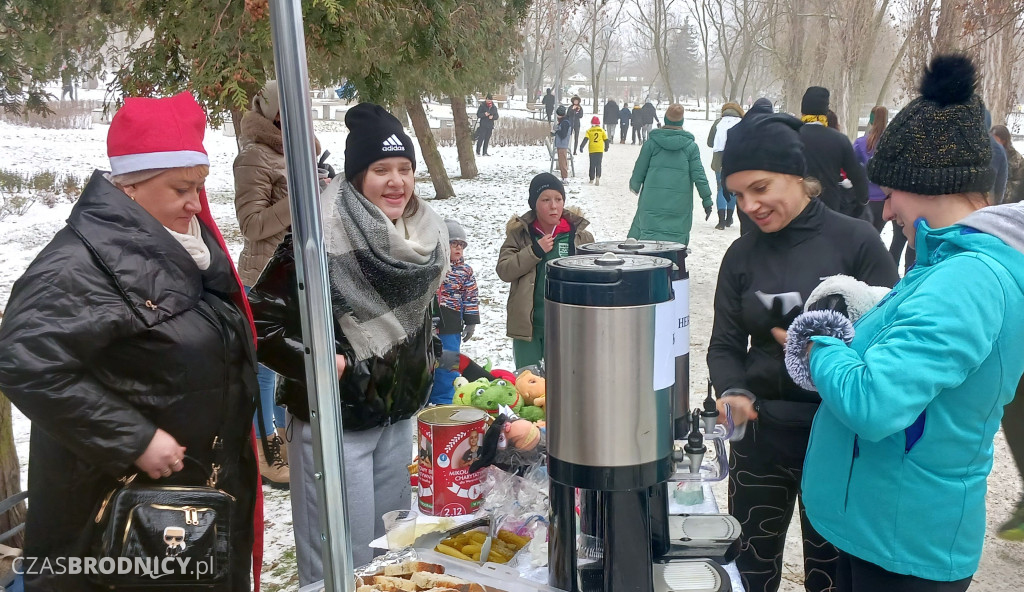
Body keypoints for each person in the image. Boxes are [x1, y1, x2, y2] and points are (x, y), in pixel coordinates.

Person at [0, 92, 261, 592]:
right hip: (113, 523)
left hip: (188, 506)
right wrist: (133, 438)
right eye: (182, 188)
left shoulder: (188, 248)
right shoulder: (75, 266)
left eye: (200, 186)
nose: (196, 202)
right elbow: (25, 363)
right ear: (131, 186)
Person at [786, 54, 1024, 592]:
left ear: (929, 184)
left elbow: (875, 403)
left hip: (903, 551)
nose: (886, 210)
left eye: (891, 192)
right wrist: (870, 310)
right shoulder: (946, 265)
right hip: (882, 530)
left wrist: (819, 337)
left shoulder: (967, 280)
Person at [249, 103, 448, 581]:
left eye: (405, 169)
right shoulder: (317, 239)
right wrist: (317, 361)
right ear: (358, 176)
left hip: (398, 421)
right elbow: (257, 321)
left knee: (391, 555)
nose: (396, 181)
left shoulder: (424, 236)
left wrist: (430, 356)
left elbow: (424, 318)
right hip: (336, 423)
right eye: (381, 170)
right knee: (339, 563)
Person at [708, 112, 899, 592]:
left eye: (760, 187)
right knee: (749, 568)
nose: (749, 205)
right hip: (761, 439)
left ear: (798, 176)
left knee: (831, 576)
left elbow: (891, 345)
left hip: (837, 440)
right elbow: (726, 343)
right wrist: (732, 388)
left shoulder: (856, 241)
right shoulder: (742, 255)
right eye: (737, 195)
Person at [233, 79, 293, 489]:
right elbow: (252, 225)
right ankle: (263, 450)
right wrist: (302, 198)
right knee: (266, 368)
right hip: (265, 275)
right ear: (272, 112)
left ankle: (284, 440)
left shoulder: (297, 153)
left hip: (297, 274)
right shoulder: (254, 156)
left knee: (289, 363)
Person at [497, 173, 594, 369]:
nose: (554, 206)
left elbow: (594, 277)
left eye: (558, 199)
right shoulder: (519, 235)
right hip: (528, 328)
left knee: (565, 382)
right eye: (546, 200)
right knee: (528, 383)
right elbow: (504, 270)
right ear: (534, 203)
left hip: (567, 325)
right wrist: (534, 251)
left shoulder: (580, 237)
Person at [627, 104, 713, 246]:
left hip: (651, 202)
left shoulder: (651, 144)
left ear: (666, 119)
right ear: (681, 121)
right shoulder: (690, 147)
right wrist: (706, 199)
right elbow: (699, 175)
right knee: (675, 243)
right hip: (679, 205)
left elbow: (639, 169)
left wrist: (634, 185)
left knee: (648, 242)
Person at [430, 219, 480, 405]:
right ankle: (423, 396)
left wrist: (471, 321)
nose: (459, 249)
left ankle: (444, 397)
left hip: (451, 323)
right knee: (426, 361)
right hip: (427, 323)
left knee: (448, 361)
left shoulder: (464, 271)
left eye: (462, 246)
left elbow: (471, 296)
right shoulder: (429, 266)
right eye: (454, 244)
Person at [799, 86, 870, 218]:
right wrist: (863, 199)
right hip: (829, 207)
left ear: (803, 111)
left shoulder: (791, 136)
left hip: (797, 205)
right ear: (825, 112)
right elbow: (856, 174)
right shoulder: (839, 139)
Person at [853, 106, 889, 235]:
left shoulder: (861, 143)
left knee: (864, 236)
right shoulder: (891, 143)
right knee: (876, 234)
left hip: (866, 196)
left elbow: (851, 165)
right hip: (885, 198)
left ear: (870, 120)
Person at [708, 102, 745, 230]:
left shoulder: (718, 123)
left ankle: (721, 221)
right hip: (737, 162)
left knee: (720, 189)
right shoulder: (742, 123)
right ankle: (729, 219)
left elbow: (709, 142)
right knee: (733, 189)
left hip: (719, 162)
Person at [992, 124, 1024, 203]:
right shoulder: (986, 155)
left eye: (996, 140)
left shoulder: (1017, 160)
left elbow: (1018, 186)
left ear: (1004, 141)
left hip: (1006, 203)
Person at [580, 116, 609, 185]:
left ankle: (591, 179)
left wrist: (581, 147)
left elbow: (586, 139)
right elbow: (606, 140)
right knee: (598, 164)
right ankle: (598, 177)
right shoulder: (602, 130)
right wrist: (606, 147)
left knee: (592, 164)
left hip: (592, 149)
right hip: (599, 149)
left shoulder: (589, 131)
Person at [552, 106, 572, 181]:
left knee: (562, 162)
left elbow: (563, 134)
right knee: (562, 161)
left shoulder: (565, 123)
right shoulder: (564, 121)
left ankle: (564, 177)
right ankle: (564, 177)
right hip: (561, 144)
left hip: (562, 144)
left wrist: (556, 131)